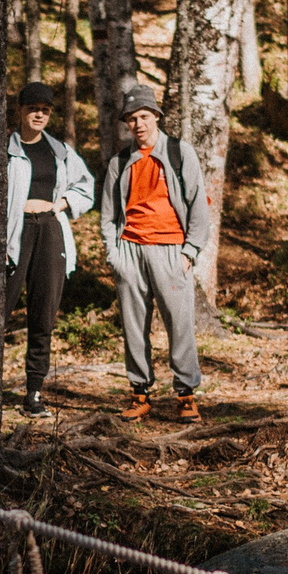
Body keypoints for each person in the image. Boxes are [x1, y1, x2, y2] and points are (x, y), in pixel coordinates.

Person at [101, 89, 209, 423]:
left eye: (144, 116)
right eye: (132, 119)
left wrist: (190, 252)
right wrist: (114, 256)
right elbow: (107, 215)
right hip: (130, 251)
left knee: (180, 325)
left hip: (171, 250)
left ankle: (186, 394)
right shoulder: (120, 161)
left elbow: (198, 207)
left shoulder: (179, 152)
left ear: (157, 117)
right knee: (134, 327)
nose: (138, 124)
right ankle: (139, 393)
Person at [0, 84, 96, 418]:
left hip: (50, 231)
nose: (39, 114)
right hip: (13, 234)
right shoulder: (3, 149)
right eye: (33, 107)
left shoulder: (60, 151)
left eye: (46, 109)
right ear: (19, 109)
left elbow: (86, 186)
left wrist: (63, 203)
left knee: (43, 315)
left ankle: (33, 393)